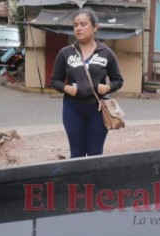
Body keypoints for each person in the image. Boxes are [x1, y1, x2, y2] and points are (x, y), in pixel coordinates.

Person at [51, 8, 123, 158]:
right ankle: (77, 182)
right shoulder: (65, 53)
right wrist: (67, 89)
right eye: (75, 25)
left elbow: (118, 80)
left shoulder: (106, 53)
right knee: (76, 153)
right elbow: (55, 81)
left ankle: (93, 182)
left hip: (97, 110)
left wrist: (108, 87)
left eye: (83, 24)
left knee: (95, 153)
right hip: (72, 109)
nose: (78, 28)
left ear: (95, 27)